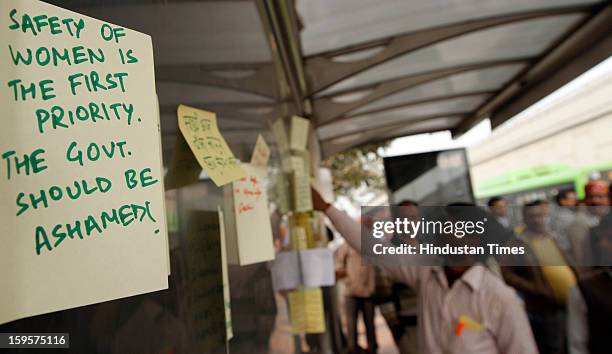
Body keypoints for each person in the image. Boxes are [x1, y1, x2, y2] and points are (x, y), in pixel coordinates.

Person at [314, 189, 538, 354]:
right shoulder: (426, 271)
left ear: (474, 240)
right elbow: (374, 248)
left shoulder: (500, 298)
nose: (443, 233)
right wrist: (327, 208)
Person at [501, 200, 576, 354]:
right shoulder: (517, 243)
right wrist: (536, 289)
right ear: (525, 218)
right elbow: (507, 274)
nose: (538, 220)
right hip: (545, 308)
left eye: (541, 215)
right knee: (555, 346)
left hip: (572, 302)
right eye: (532, 216)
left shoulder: (554, 237)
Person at [567, 213, 612, 354]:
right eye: (601, 239)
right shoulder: (585, 289)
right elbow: (577, 345)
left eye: (610, 239)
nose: (602, 244)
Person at [336, 234, 377, 353]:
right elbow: (338, 266)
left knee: (370, 323)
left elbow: (375, 268)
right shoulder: (346, 246)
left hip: (368, 292)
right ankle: (352, 348)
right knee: (351, 324)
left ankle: (372, 347)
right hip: (351, 293)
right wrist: (347, 281)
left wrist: (372, 287)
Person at [565, 180, 610, 265]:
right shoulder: (579, 223)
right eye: (590, 197)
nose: (595, 201)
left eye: (601, 196)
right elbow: (583, 259)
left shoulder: (605, 217)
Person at [550, 189, 578, 257]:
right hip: (570, 252)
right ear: (563, 201)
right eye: (573, 200)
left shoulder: (555, 215)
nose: (576, 202)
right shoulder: (567, 217)